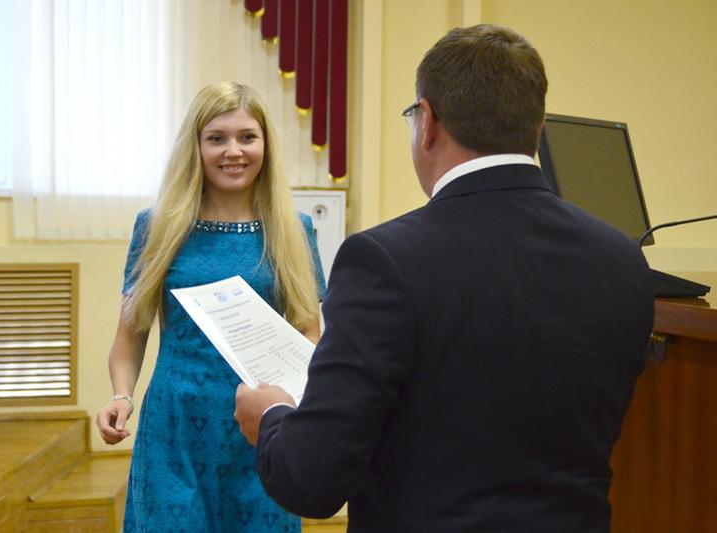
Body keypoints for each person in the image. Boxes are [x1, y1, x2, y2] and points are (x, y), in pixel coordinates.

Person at [234, 24, 654, 532]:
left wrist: (273, 416)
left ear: (427, 122)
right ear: (539, 127)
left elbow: (311, 480)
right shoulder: (623, 260)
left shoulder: (383, 260)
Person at [96, 81, 326, 533]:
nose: (233, 151)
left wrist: (292, 403)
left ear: (265, 145)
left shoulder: (294, 228)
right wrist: (121, 396)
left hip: (261, 426)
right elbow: (130, 335)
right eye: (216, 138)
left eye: (247, 137)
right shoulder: (156, 226)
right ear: (196, 146)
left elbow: (307, 332)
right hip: (174, 426)